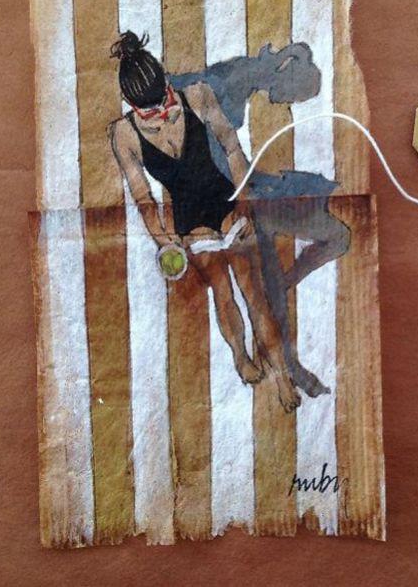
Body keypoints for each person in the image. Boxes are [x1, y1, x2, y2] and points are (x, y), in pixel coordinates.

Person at [108, 31, 301, 412]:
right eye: (150, 112)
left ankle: (282, 378)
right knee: (222, 292)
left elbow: (232, 148)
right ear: (131, 105)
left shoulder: (196, 95)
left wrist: (244, 203)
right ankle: (240, 357)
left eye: (163, 100)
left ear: (167, 82)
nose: (161, 115)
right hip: (190, 226)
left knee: (255, 294)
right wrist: (165, 242)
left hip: (227, 205)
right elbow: (144, 199)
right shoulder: (124, 134)